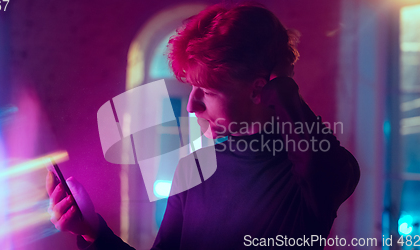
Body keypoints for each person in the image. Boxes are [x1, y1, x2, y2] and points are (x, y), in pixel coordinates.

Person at [46, 3, 360, 249]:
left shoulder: (313, 175)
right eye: (192, 88)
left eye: (207, 92)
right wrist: (92, 230)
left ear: (259, 89)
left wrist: (282, 88)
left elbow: (328, 167)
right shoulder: (192, 169)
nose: (192, 105)